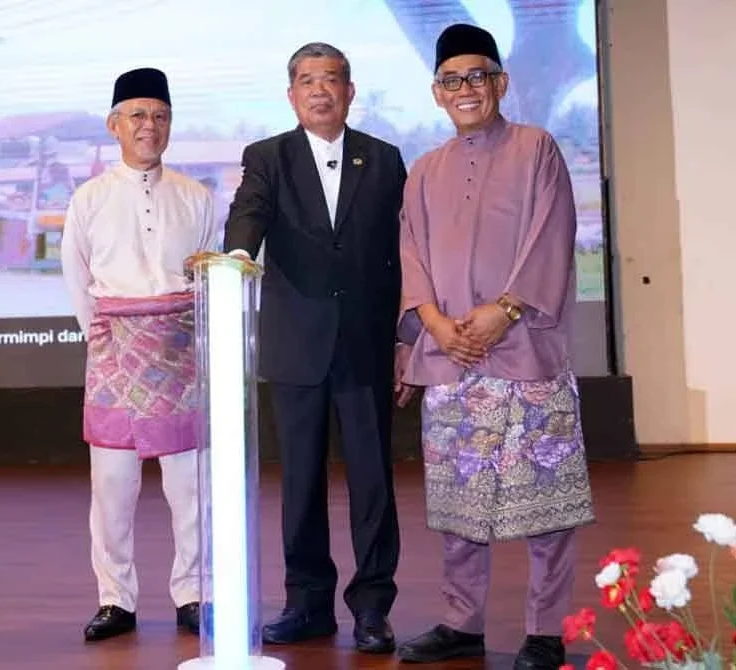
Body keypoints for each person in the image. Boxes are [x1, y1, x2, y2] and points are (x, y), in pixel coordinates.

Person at [393, 24, 596, 668]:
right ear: (436, 92)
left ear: (500, 83)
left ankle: (544, 629)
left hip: (525, 353)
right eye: (452, 80)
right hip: (453, 358)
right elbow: (411, 254)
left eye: (477, 76)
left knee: (547, 504)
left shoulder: (537, 150)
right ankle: (461, 622)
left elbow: (552, 237)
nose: (465, 89)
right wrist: (435, 322)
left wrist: (504, 311)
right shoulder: (424, 170)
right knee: (458, 501)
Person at [223, 42, 407, 654]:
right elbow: (248, 213)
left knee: (372, 480)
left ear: (350, 91)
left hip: (364, 342)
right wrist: (239, 257)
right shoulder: (267, 156)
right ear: (291, 94)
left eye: (331, 80)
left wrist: (406, 335)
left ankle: (374, 606)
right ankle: (306, 604)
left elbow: (403, 252)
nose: (320, 90)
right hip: (296, 342)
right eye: (307, 81)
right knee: (300, 479)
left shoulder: (383, 159)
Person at [60, 67, 216, 644]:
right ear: (114, 125)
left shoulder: (196, 196)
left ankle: (193, 593)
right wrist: (107, 340)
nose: (149, 126)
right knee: (113, 487)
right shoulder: (89, 197)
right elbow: (77, 281)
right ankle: (115, 599)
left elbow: (206, 279)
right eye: (138, 115)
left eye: (160, 115)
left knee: (190, 487)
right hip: (114, 354)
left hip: (179, 355)